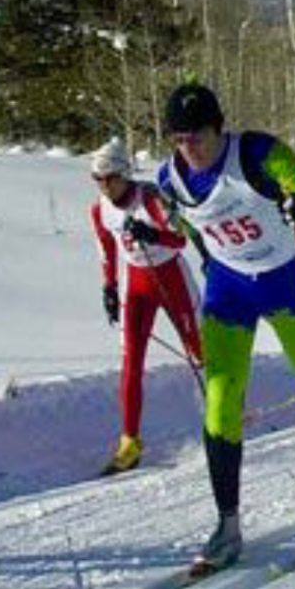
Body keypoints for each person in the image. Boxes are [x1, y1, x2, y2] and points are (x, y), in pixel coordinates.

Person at [157, 82, 295, 573]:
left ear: (219, 128)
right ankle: (227, 524)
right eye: (178, 138)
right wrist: (207, 257)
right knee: (220, 400)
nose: (187, 147)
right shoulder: (169, 179)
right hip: (229, 289)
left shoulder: (258, 153)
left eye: (196, 136)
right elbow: (191, 229)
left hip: (284, 282)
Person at [88, 137, 203, 474]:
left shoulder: (150, 199)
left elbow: (181, 239)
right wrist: (109, 287)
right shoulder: (100, 209)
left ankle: (225, 411)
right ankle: (129, 442)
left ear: (125, 173)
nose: (105, 186)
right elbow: (106, 248)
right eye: (98, 180)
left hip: (171, 277)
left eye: (110, 178)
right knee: (131, 360)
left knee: (198, 349)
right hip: (136, 282)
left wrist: (153, 235)